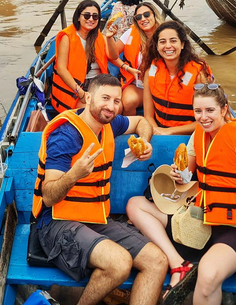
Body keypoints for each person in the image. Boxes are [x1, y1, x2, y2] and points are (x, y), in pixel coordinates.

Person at [126, 84, 236, 305]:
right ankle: (179, 265)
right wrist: (179, 175)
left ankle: (198, 270)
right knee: (136, 205)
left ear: (224, 109)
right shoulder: (198, 136)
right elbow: (186, 176)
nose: (203, 117)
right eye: (198, 111)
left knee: (208, 276)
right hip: (202, 221)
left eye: (210, 110)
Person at [32, 74, 168, 305]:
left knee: (157, 261)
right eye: (105, 98)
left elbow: (140, 122)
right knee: (120, 262)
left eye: (117, 101)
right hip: (56, 222)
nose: (111, 106)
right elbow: (49, 195)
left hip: (94, 217)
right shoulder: (65, 136)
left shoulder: (109, 123)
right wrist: (74, 174)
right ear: (88, 97)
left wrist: (145, 140)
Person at [142, 21, 213, 135]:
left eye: (173, 41)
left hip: (191, 134)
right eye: (162, 42)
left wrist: (169, 132)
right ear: (157, 46)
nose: (168, 46)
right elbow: (148, 116)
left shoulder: (199, 75)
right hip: (159, 130)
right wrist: (157, 131)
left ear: (182, 44)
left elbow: (208, 119)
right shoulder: (150, 72)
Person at [52, 0, 115, 113]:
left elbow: (114, 57)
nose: (91, 19)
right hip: (74, 87)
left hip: (96, 83)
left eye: (95, 17)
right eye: (87, 15)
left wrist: (110, 38)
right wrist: (80, 93)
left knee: (116, 107)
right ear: (78, 17)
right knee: (92, 111)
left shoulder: (100, 37)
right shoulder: (67, 37)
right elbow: (61, 69)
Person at [105, 2, 164, 115]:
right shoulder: (131, 32)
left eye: (147, 14)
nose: (143, 19)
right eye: (138, 17)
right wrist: (127, 68)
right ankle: (131, 128)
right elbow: (112, 56)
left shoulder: (166, 34)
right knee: (126, 102)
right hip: (137, 85)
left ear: (154, 15)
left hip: (161, 85)